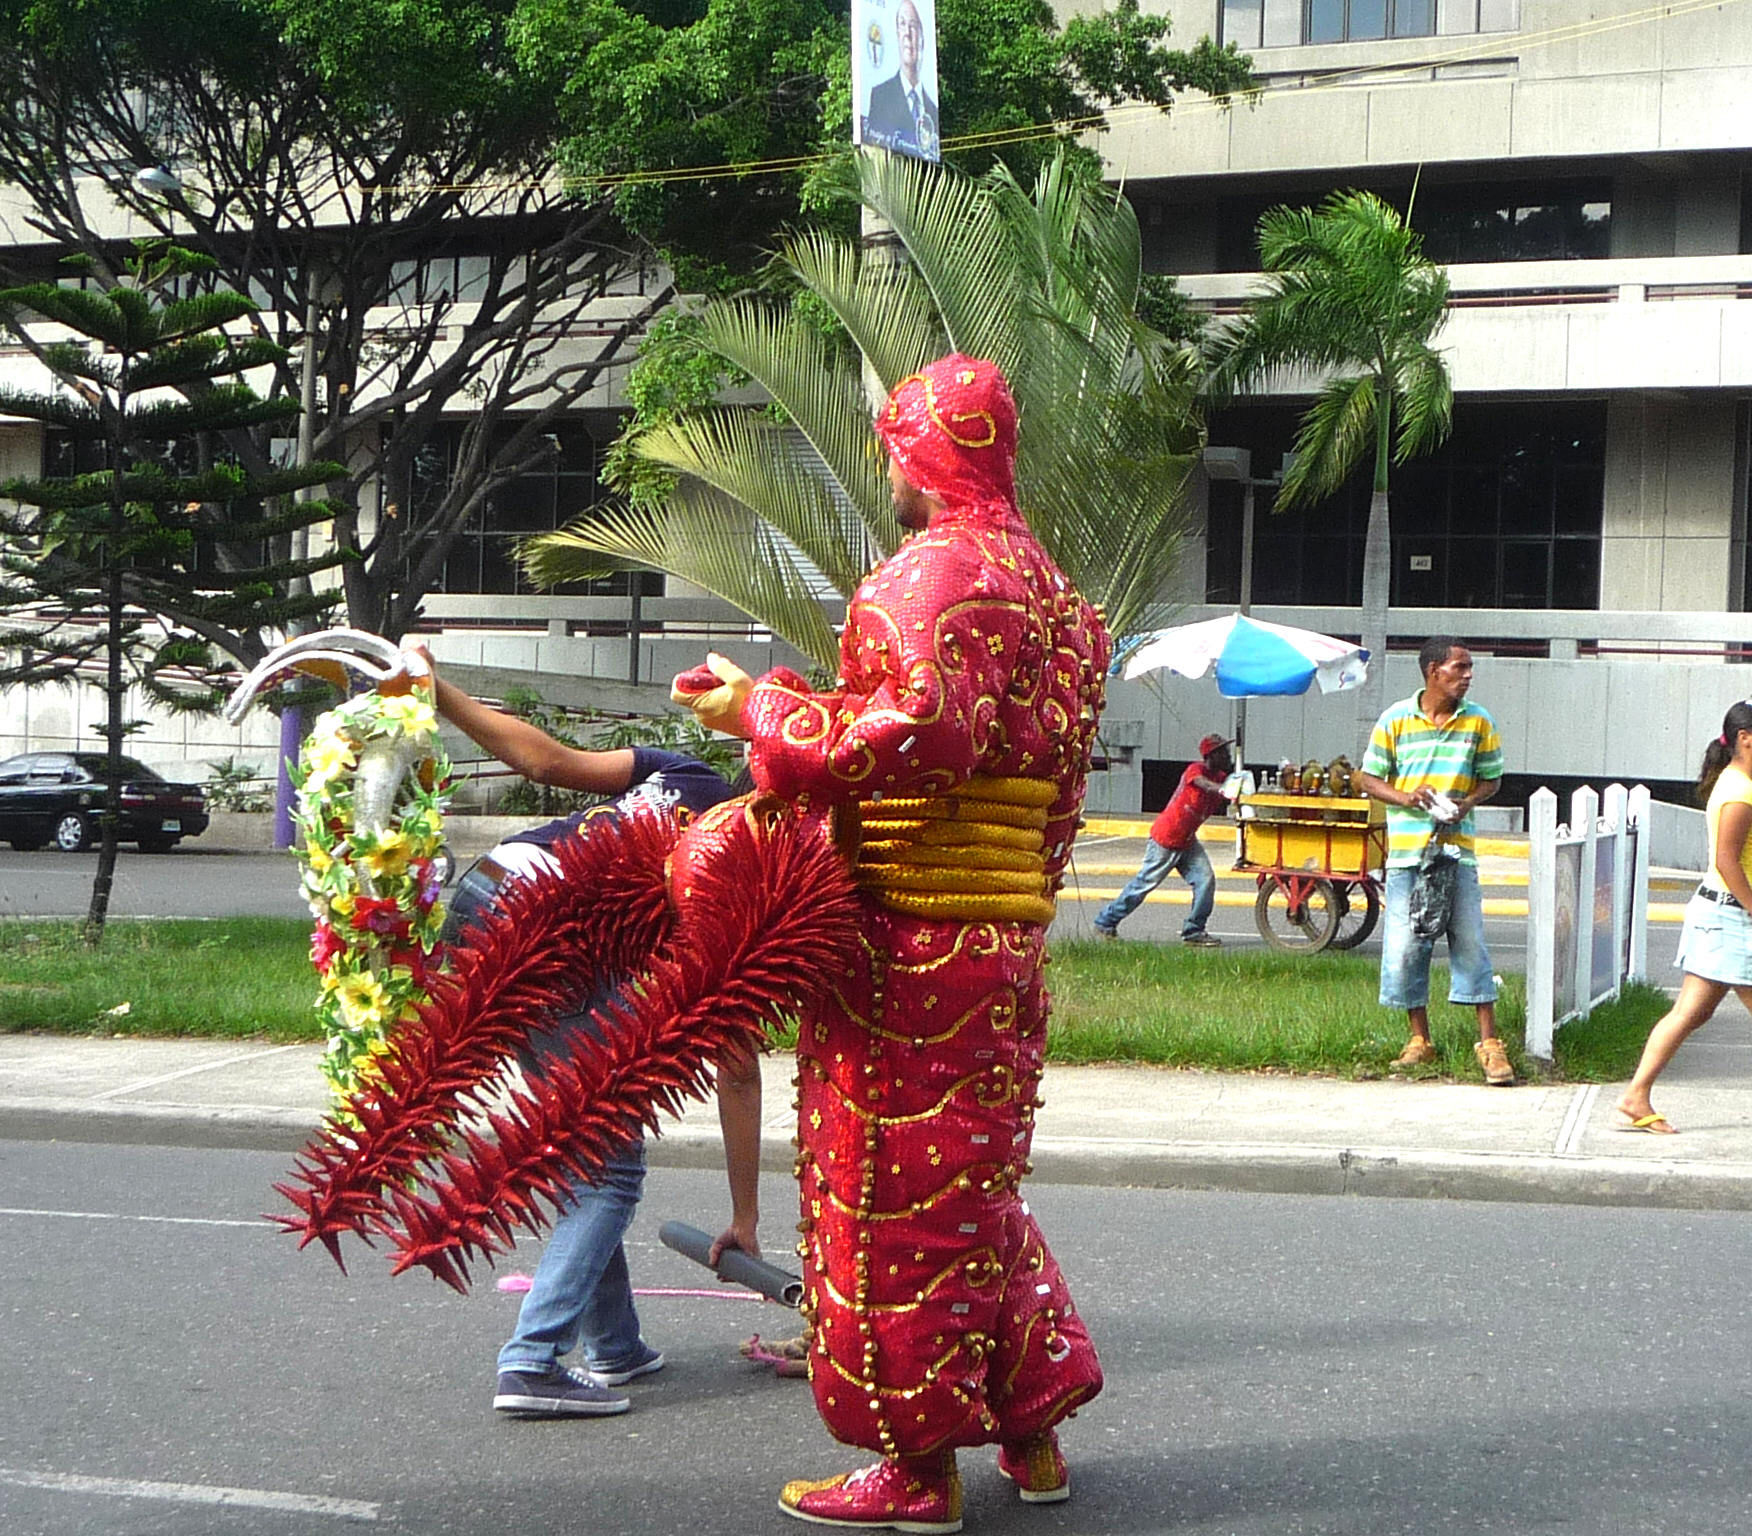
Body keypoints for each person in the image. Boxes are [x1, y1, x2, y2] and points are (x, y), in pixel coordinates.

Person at [676, 355, 1107, 1532]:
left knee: (882, 1195)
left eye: (890, 455)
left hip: (904, 947)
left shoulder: (926, 576)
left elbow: (909, 733)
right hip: (1004, 940)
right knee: (971, 1188)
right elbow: (1051, 798)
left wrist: (753, 708)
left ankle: (914, 1470)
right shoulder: (1062, 602)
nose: (888, 478)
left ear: (921, 454)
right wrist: (1011, 904)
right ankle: (1032, 1431)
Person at [418, 655, 764, 1418]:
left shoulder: (686, 777)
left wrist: (439, 689)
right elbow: (736, 1067)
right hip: (553, 933)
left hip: (486, 892)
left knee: (585, 1142)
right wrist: (744, 1216)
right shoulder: (748, 879)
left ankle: (614, 1345)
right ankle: (534, 1360)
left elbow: (543, 758)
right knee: (609, 1169)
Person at [1612, 701, 1752, 1140]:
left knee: (1690, 1012)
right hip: (1731, 918)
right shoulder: (1738, 792)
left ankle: (1635, 1096)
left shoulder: (1747, 786)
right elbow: (1727, 860)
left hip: (1719, 914)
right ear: (1745, 738)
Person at [1356, 636, 1515, 1086]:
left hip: (1456, 853)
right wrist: (1406, 796)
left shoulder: (1478, 722)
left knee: (1469, 942)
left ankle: (1489, 1042)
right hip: (1408, 855)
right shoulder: (1395, 720)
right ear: (1433, 671)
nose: (1467, 676)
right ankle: (1419, 1039)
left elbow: (1492, 780)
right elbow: (1366, 777)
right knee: (1408, 946)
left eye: (1469, 669)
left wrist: (1465, 803)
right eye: (1459, 668)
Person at [1092, 732, 1232, 946]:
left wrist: (1238, 786)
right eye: (1223, 751)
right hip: (1166, 839)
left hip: (1187, 841)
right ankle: (1105, 922)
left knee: (1206, 880)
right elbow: (1203, 784)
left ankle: (1194, 931)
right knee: (1142, 886)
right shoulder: (1196, 771)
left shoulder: (1222, 778)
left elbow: (1229, 786)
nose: (1228, 755)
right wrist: (1224, 790)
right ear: (1211, 755)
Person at [862, 0, 939, 160]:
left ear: (922, 38)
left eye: (913, 25)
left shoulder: (932, 111)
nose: (907, 33)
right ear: (897, 35)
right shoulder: (880, 96)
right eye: (902, 25)